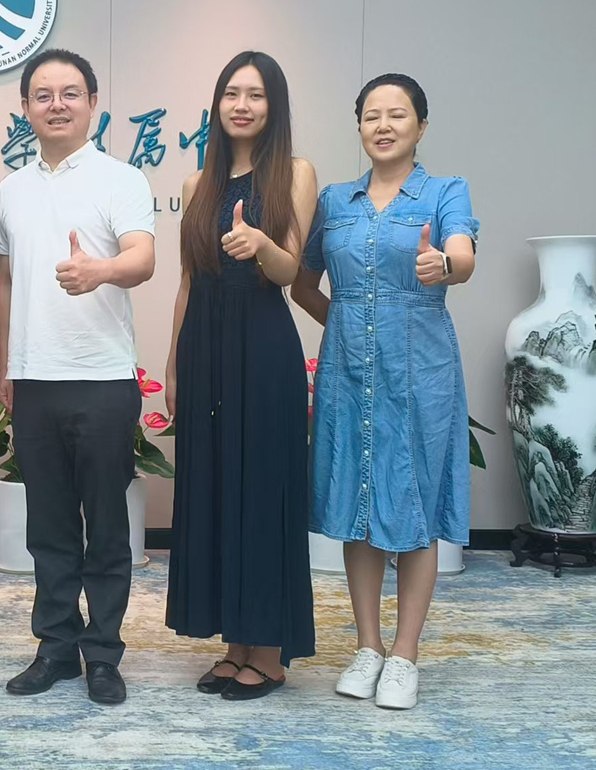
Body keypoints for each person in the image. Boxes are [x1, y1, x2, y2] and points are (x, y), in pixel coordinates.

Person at [290, 73, 479, 710]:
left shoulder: (445, 191)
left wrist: (444, 265)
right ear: (359, 126)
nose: (384, 125)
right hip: (348, 372)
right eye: (372, 115)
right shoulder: (335, 201)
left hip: (420, 371)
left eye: (398, 114)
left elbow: (463, 255)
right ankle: (368, 646)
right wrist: (351, 327)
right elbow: (303, 284)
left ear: (421, 125)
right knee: (357, 500)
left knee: (414, 503)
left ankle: (405, 655)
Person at [0, 49, 156, 706]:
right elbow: (6, 281)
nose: (55, 104)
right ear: (26, 108)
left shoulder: (122, 179)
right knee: (49, 527)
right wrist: (8, 366)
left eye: (69, 93)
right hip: (34, 382)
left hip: (102, 379)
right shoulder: (11, 189)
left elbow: (142, 258)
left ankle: (104, 654)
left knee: (107, 527)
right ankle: (56, 647)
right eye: (42, 95)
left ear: (92, 103)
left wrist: (100, 271)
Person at [164, 52, 318, 700]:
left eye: (255, 94)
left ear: (272, 105)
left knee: (263, 492)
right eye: (232, 93)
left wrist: (261, 245)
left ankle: (270, 652)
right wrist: (174, 363)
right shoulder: (199, 181)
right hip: (205, 350)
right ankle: (235, 643)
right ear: (218, 104)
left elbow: (291, 273)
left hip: (263, 347)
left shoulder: (296, 173)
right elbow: (187, 281)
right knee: (218, 490)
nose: (242, 105)